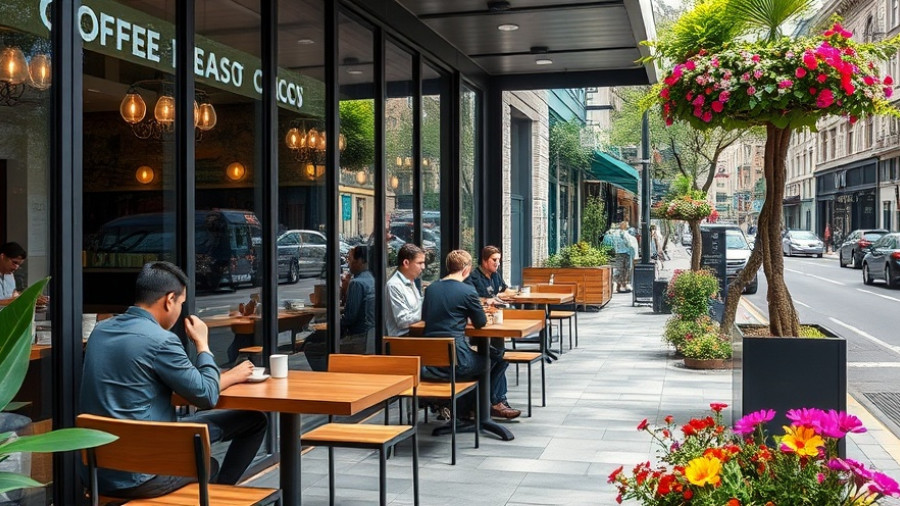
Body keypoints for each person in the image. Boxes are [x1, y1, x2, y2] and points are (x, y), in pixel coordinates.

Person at [79, 261, 266, 499]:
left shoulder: (101, 331)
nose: (180, 310)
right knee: (215, 460)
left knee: (238, 422)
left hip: (97, 470)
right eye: (181, 303)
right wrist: (202, 343)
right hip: (144, 474)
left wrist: (225, 377)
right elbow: (207, 395)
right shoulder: (161, 340)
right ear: (169, 300)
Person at [421, 250, 521, 420]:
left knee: (485, 358)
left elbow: (426, 317)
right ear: (466, 270)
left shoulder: (431, 289)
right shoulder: (467, 291)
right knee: (497, 359)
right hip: (457, 360)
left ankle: (467, 408)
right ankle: (482, 407)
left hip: (429, 363)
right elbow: (481, 322)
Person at [385, 243, 426, 336]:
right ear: (406, 263)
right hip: (403, 340)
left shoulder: (410, 282)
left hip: (414, 336)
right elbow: (402, 321)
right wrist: (427, 310)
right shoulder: (394, 285)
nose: (423, 267)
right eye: (419, 263)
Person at [0, 242, 49, 308]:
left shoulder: (9, 275)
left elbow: (12, 295)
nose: (16, 267)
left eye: (19, 265)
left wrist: (32, 296)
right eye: (14, 262)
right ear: (2, 257)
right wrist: (28, 300)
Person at [602, 221, 637, 293]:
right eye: (626, 225)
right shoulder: (620, 233)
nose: (628, 226)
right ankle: (619, 285)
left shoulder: (623, 233)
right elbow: (629, 244)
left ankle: (621, 285)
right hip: (623, 253)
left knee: (623, 270)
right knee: (622, 270)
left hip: (622, 253)